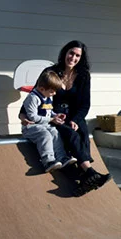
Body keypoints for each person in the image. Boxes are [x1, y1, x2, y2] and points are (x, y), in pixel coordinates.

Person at [22, 41, 110, 196]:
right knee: (70, 134)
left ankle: (85, 177)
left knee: (83, 132)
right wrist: (23, 114)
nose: (73, 58)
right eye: (71, 53)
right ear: (65, 53)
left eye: (77, 55)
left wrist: (75, 120)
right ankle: (89, 173)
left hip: (74, 116)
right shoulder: (50, 72)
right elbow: (37, 93)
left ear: (81, 58)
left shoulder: (83, 76)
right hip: (55, 115)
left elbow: (85, 104)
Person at [20, 71, 77, 173]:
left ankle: (61, 157)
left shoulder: (48, 96)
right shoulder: (33, 98)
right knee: (45, 135)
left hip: (44, 125)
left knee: (54, 132)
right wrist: (51, 119)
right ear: (42, 89)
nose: (54, 94)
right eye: (52, 91)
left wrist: (55, 115)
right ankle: (48, 161)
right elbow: (33, 117)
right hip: (30, 127)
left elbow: (48, 111)